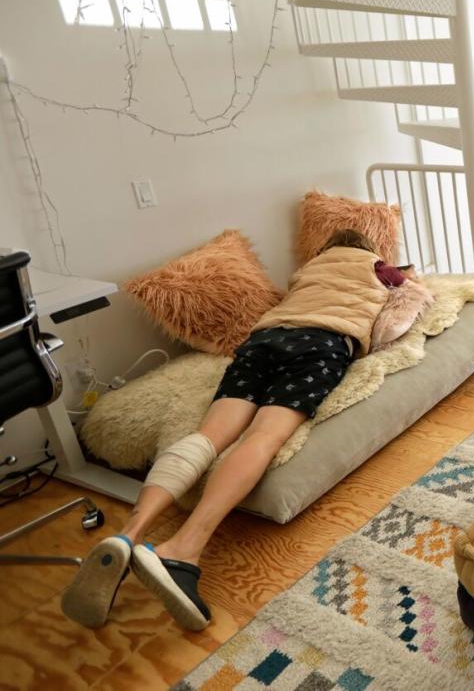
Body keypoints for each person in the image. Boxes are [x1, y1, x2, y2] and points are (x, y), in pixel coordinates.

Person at [62, 229, 405, 630]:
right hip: (321, 341)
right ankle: (182, 549)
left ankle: (129, 533)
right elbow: (405, 293)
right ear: (369, 250)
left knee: (208, 437)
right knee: (262, 436)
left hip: (264, 339)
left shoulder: (309, 270)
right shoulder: (379, 268)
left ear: (326, 250)